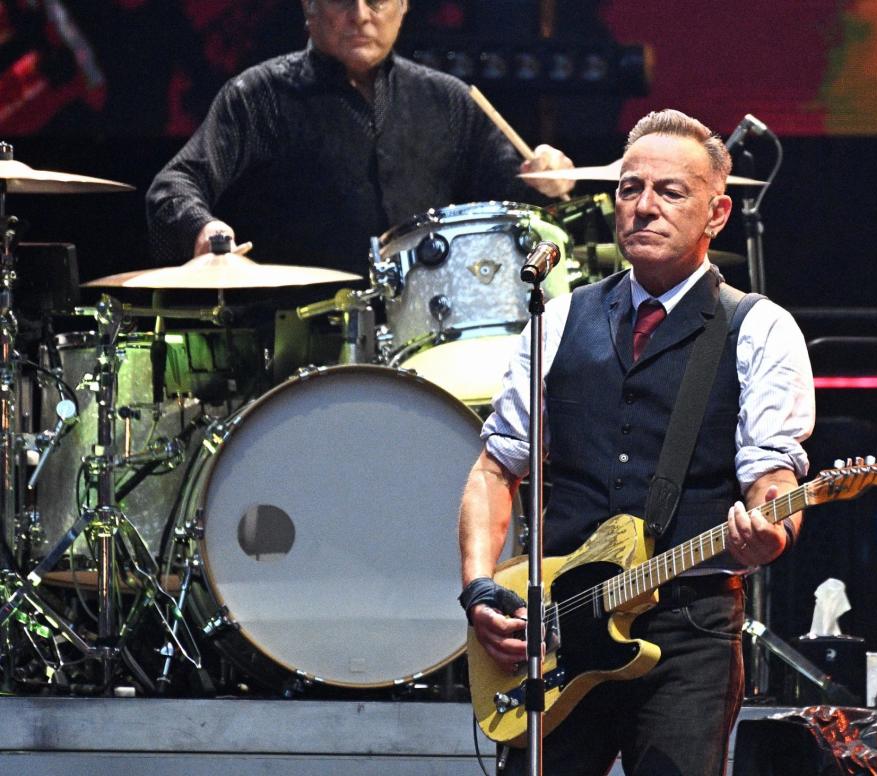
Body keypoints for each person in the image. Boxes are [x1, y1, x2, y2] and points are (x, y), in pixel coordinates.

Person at [457, 108, 815, 775]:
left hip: (690, 630)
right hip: (559, 627)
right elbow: (495, 469)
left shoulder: (758, 329)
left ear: (716, 213)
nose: (643, 206)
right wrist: (479, 588)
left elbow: (773, 473)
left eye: (669, 191)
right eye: (630, 188)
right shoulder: (559, 317)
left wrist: (772, 531)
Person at [145, 0, 572, 271]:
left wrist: (545, 178)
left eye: (378, 0)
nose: (361, 15)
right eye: (342, 1)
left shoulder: (450, 101)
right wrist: (203, 228)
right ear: (308, 8)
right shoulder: (260, 96)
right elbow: (172, 187)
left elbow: (512, 201)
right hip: (295, 343)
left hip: (424, 336)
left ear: (403, 6)